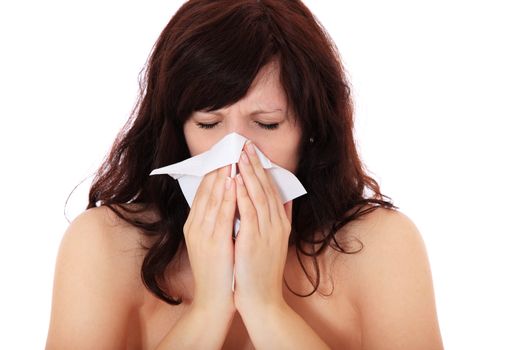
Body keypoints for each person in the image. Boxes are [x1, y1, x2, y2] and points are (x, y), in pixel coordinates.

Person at [46, 1, 443, 349]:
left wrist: (265, 307)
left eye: (267, 124)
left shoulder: (379, 247)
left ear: (311, 130)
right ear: (177, 128)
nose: (234, 155)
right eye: (208, 123)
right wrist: (209, 310)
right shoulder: (104, 246)